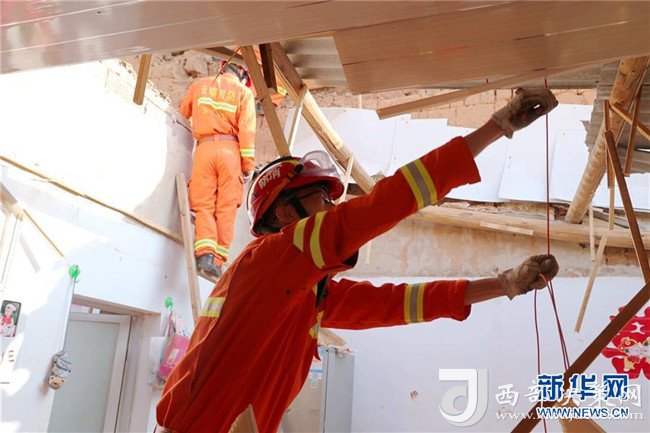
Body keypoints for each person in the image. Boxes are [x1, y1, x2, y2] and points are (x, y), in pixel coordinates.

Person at [156, 88, 560, 432]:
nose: (333, 208)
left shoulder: (301, 294)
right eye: (322, 197)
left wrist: (505, 284)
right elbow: (386, 203)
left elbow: (396, 304)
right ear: (285, 213)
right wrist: (497, 126)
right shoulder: (273, 257)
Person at [179, 60, 256, 280]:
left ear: (222, 68)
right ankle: (217, 261)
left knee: (203, 204)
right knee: (226, 207)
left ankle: (204, 254)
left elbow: (182, 114)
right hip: (230, 152)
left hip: (203, 150)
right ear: (243, 76)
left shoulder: (199, 85)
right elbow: (247, 132)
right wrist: (247, 165)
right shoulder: (244, 93)